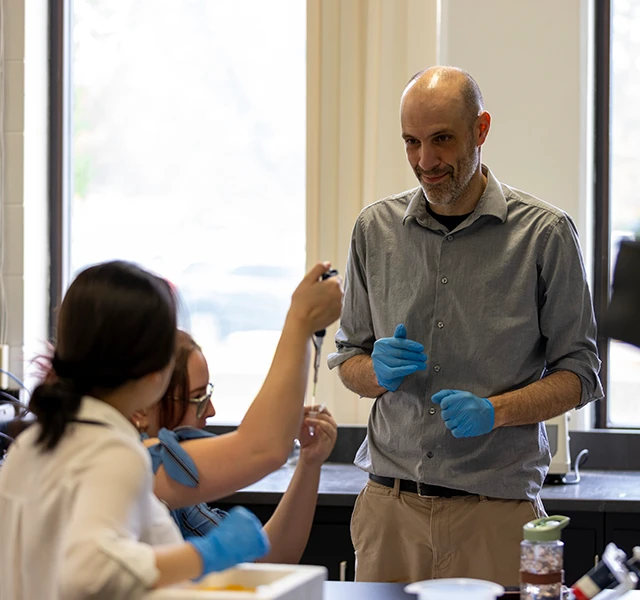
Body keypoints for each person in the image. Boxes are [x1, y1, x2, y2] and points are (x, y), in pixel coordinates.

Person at [327, 66, 603, 586]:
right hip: (390, 512)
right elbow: (349, 358)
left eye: (442, 140)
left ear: (481, 130)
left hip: (494, 516)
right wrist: (374, 373)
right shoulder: (374, 230)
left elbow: (582, 373)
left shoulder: (545, 235)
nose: (425, 161)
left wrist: (495, 412)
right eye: (411, 142)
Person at [0, 260, 271, 600]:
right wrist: (208, 553)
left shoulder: (32, 443)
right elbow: (90, 572)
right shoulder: (112, 452)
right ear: (155, 369)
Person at [131, 329, 338, 563]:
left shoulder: (177, 491)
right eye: (198, 398)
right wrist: (300, 321)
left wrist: (309, 462)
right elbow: (264, 450)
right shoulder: (138, 462)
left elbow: (268, 559)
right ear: (144, 404)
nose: (211, 411)